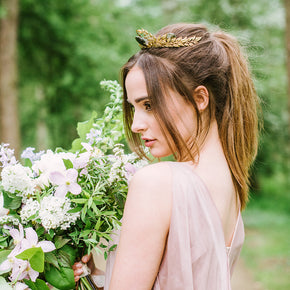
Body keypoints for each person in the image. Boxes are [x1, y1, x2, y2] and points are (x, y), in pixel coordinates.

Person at [73, 23, 259, 289]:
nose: (136, 125)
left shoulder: (158, 182)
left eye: (149, 105)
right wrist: (95, 279)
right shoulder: (231, 187)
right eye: (134, 107)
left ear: (200, 98)